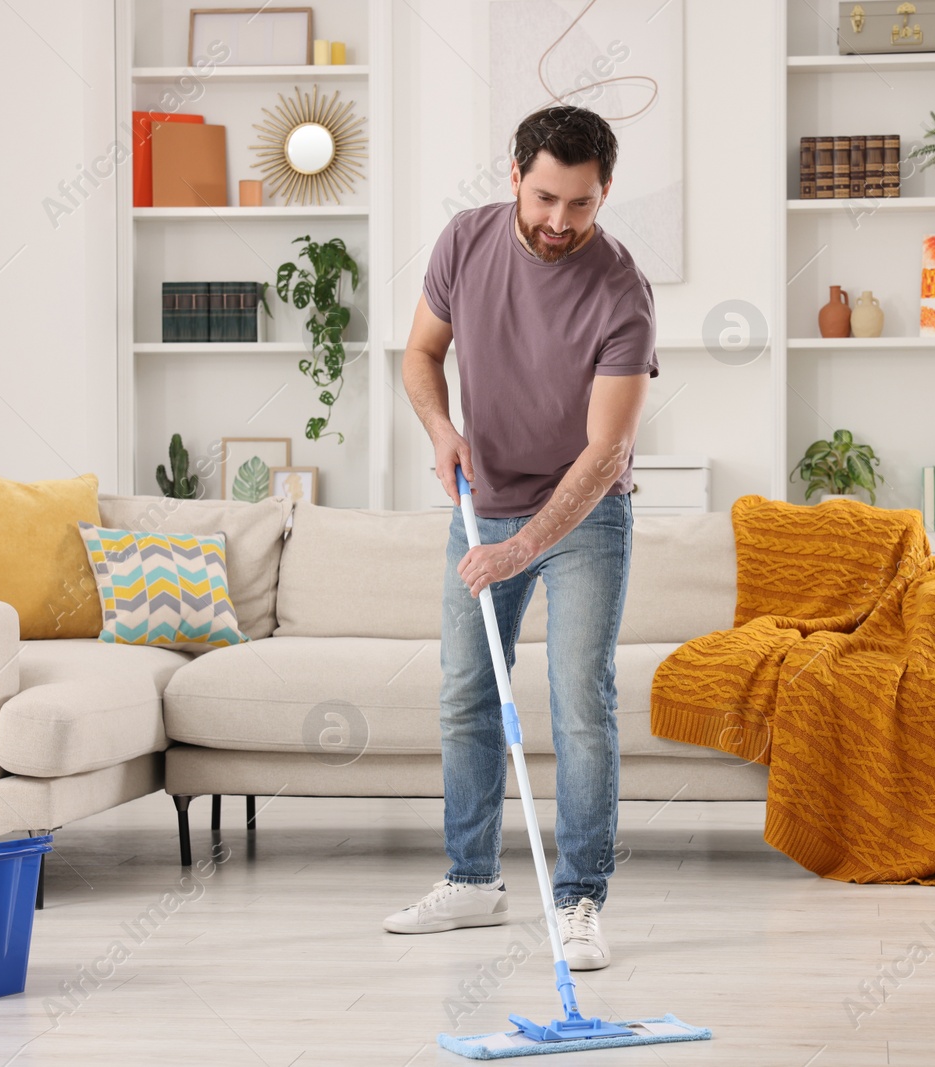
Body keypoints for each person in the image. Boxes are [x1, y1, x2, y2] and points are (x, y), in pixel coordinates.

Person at [382, 105, 658, 972]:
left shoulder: (621, 289)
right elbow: (420, 354)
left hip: (584, 513)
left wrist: (518, 548)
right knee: (466, 692)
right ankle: (471, 880)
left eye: (581, 205)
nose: (559, 223)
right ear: (513, 177)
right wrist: (440, 429)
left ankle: (579, 899)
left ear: (604, 192)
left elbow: (606, 448)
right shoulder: (463, 243)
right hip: (482, 501)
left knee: (581, 703)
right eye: (545, 198)